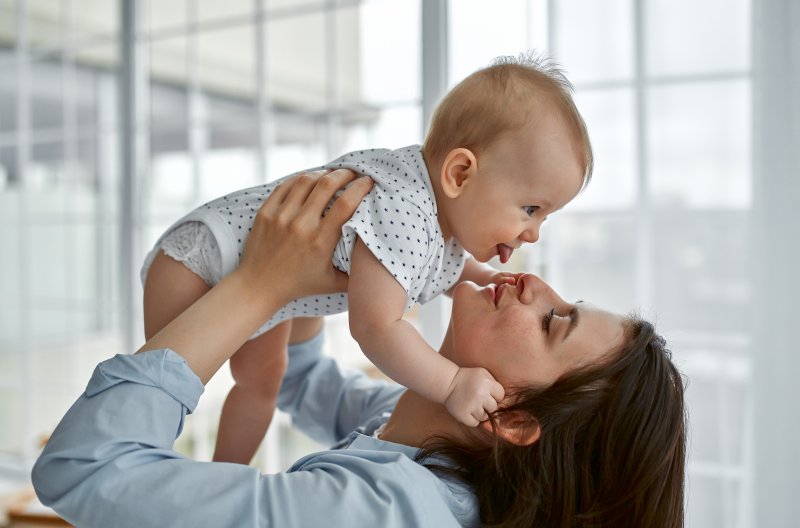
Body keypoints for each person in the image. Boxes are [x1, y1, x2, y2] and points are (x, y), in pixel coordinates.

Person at [33, 170, 686, 527]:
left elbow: (86, 469)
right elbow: (305, 381)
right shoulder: (437, 441)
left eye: (554, 322)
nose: (534, 283)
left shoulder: (383, 513)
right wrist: (335, 261)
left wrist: (263, 283)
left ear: (514, 420)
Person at [141, 52, 593, 464]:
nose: (533, 233)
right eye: (531, 209)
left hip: (259, 283)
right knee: (161, 393)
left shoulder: (444, 219)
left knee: (262, 383)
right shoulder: (407, 211)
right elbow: (377, 326)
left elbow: (448, 269)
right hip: (202, 261)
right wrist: (451, 383)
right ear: (460, 174)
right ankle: (142, 477)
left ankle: (220, 479)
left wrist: (487, 279)